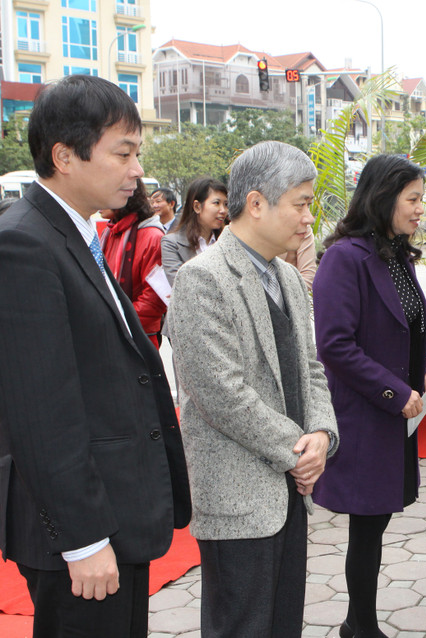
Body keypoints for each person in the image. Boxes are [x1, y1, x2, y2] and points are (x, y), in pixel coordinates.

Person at [0, 74, 191, 638]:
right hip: (81, 532)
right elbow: (42, 412)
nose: (137, 171)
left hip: (117, 510)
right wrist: (83, 540)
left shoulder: (76, 231)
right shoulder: (24, 243)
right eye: (123, 153)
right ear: (65, 156)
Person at [168, 140, 339, 638]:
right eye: (301, 204)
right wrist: (299, 450)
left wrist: (322, 434)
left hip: (290, 489)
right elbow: (222, 394)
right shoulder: (202, 279)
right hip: (238, 497)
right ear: (257, 203)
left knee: (284, 623)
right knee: (241, 627)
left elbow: (311, 368)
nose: (308, 218)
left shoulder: (288, 277)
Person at [313, 154, 426, 638]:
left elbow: (405, 326)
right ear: (384, 198)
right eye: (413, 199)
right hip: (366, 413)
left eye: (421, 199)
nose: (420, 209)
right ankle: (361, 626)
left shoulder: (396, 253)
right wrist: (394, 391)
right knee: (367, 526)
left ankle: (357, 623)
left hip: (395, 412)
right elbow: (335, 345)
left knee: (377, 521)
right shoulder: (345, 258)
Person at [100, 179, 167, 349]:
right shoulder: (109, 232)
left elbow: (154, 299)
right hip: (111, 334)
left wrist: (117, 320)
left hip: (139, 337)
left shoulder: (152, 237)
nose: (97, 200)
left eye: (103, 192)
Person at [160, 177, 227, 286]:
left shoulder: (227, 242)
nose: (223, 210)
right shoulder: (171, 244)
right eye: (216, 203)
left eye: (226, 204)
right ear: (197, 207)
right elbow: (181, 285)